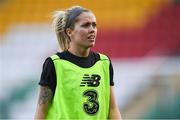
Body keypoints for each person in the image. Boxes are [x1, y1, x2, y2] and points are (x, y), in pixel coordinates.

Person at [35, 6, 122, 119]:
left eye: (94, 25)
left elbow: (112, 109)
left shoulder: (104, 62)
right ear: (69, 32)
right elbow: (41, 110)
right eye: (86, 25)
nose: (92, 29)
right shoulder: (55, 64)